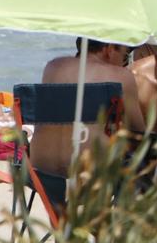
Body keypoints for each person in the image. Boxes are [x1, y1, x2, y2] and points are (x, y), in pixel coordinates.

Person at [27, 40, 144, 204]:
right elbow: (140, 133)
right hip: (89, 177)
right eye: (125, 56)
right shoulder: (121, 77)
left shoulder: (53, 66)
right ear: (109, 49)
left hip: (40, 174)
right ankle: (111, 226)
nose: (125, 63)